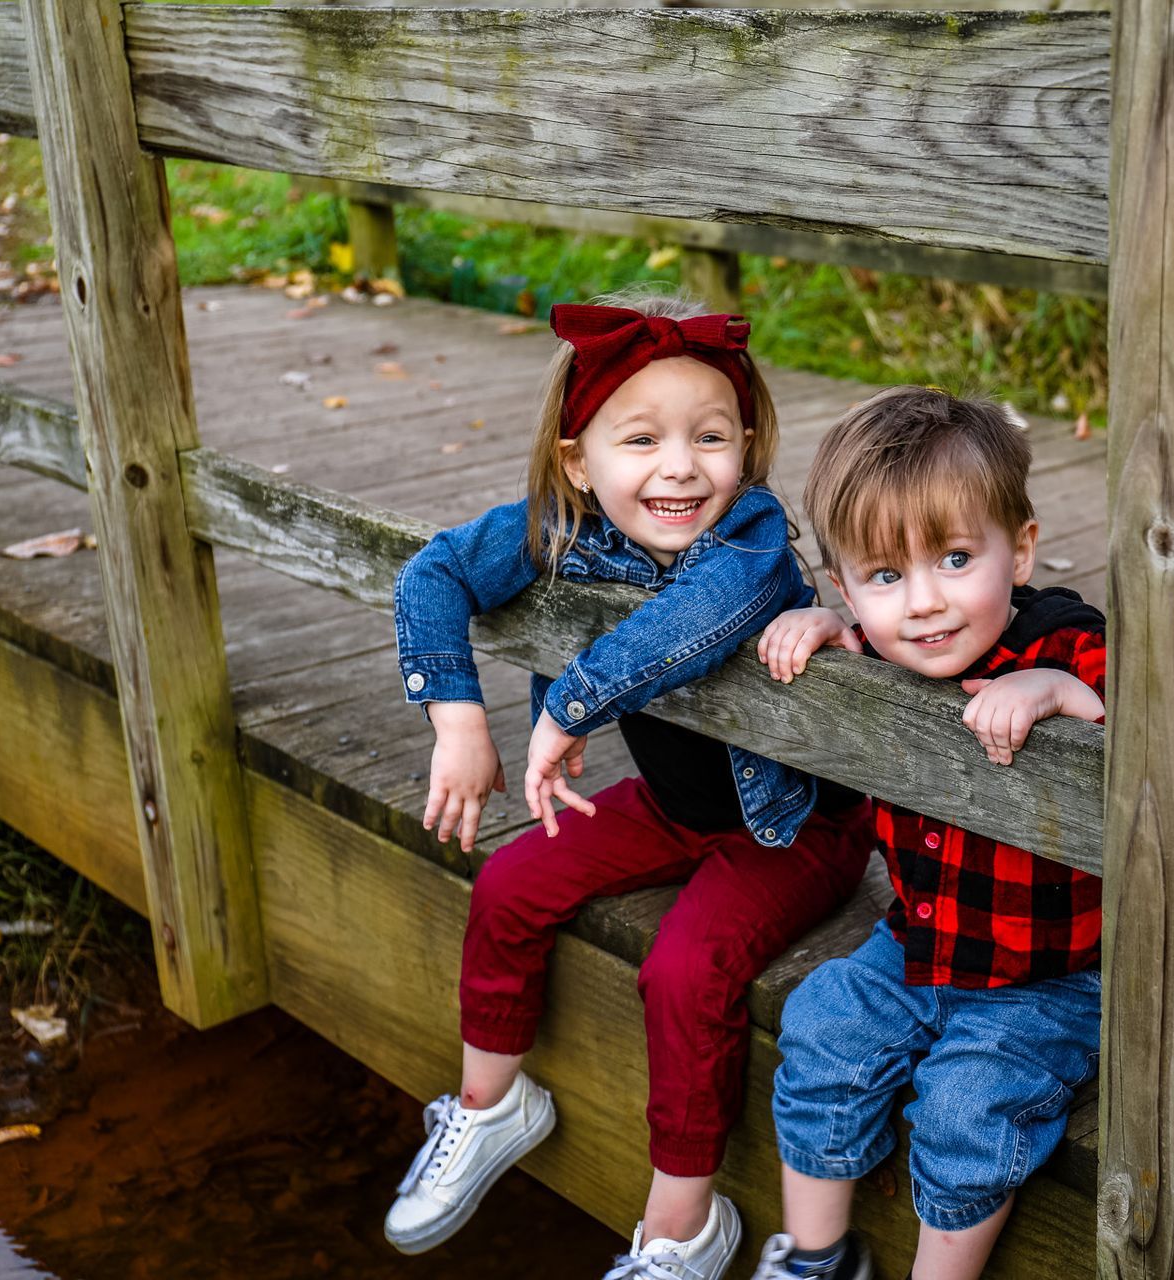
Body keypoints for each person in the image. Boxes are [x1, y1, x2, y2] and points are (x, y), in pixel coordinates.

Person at [387, 291, 874, 1280]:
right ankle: (491, 1106)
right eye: (640, 438)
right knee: (510, 882)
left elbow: (684, 625)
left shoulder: (748, 541)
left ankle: (680, 1226)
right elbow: (432, 574)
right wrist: (459, 719)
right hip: (672, 807)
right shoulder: (564, 524)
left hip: (792, 828)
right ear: (579, 459)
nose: (679, 465)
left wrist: (566, 709)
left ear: (747, 445)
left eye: (710, 435)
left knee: (684, 970)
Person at [751, 387, 1107, 1280]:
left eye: (955, 558)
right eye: (882, 578)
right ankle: (814, 1258)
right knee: (822, 1024)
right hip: (917, 940)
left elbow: (1172, 724)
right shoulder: (874, 642)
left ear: (1019, 549)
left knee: (965, 1104)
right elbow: (856, 632)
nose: (923, 605)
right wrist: (825, 629)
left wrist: (1066, 697)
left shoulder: (1068, 644)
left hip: (1054, 972)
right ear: (845, 587)